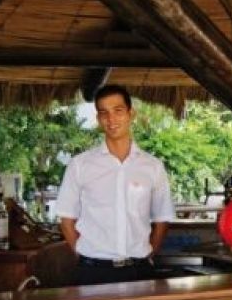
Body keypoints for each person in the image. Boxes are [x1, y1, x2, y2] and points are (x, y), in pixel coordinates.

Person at [54, 84, 175, 285]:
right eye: (104, 113)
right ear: (98, 119)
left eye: (118, 111)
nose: (111, 119)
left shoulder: (152, 166)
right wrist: (84, 256)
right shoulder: (80, 165)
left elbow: (162, 218)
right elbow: (66, 219)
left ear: (131, 114)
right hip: (93, 272)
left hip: (139, 270)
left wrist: (149, 253)